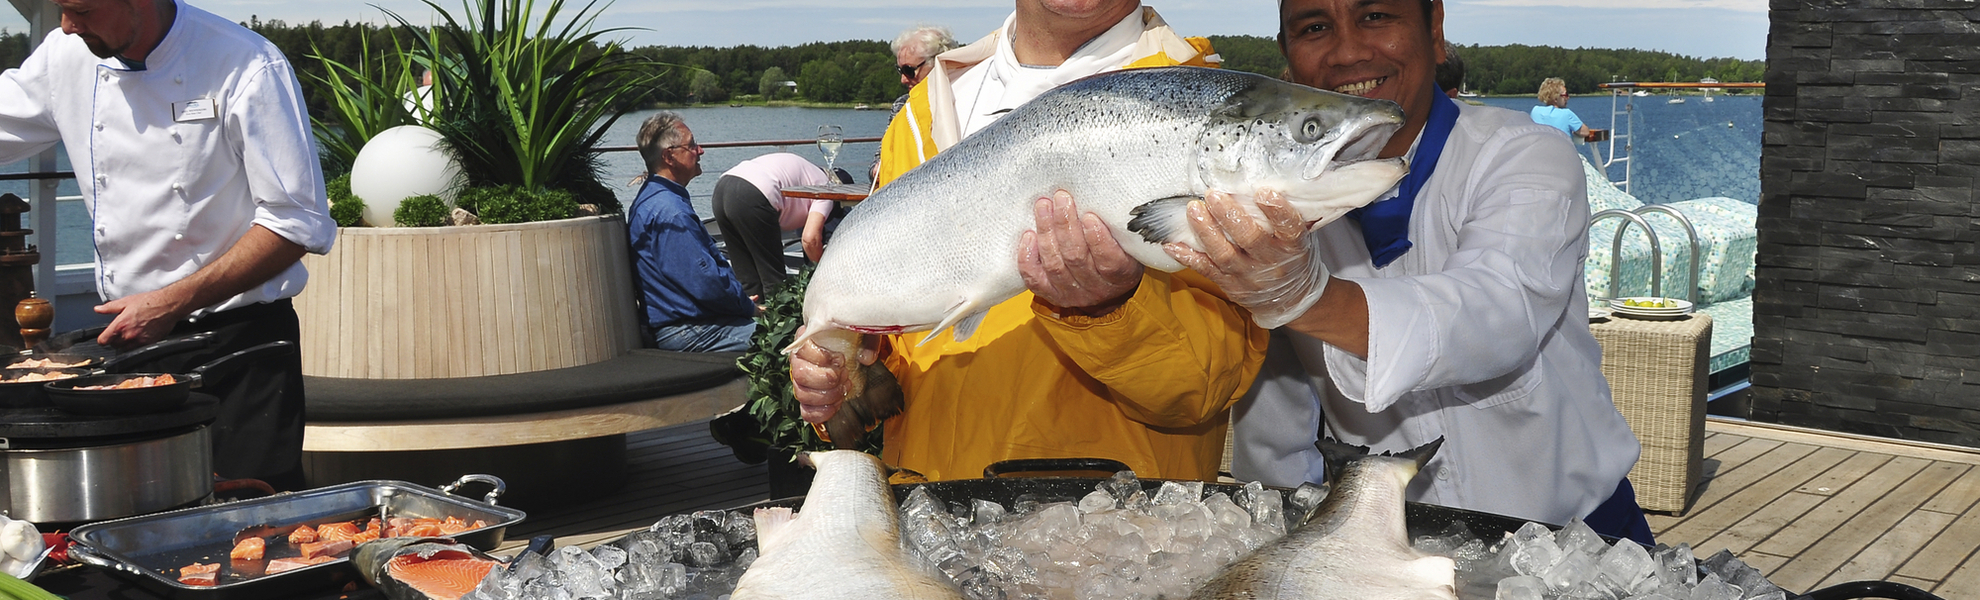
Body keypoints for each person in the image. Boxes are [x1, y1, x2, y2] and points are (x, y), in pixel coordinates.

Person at [1197, 0, 1651, 544]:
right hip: (1396, 545)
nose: (1347, 51)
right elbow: (1276, 405)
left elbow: (1497, 311)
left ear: (1434, 30)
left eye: (1376, 16)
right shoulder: (1271, 200)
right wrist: (1287, 525)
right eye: (1315, 27)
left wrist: (1306, 298)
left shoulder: (1525, 153)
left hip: (1579, 541)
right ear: (1288, 56)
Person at [789, 0, 1264, 483]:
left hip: (1116, 524)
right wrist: (841, 370)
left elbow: (1205, 387)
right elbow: (891, 337)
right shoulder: (924, 112)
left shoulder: (1223, 121)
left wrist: (1111, 309)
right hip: (928, 508)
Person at [0, 0, 337, 491]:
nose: (68, 26)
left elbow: (295, 224)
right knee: (139, 526)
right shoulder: (65, 56)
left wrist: (170, 302)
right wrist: (150, 315)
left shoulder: (244, 63)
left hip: (239, 351)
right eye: (60, 9)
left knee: (255, 535)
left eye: (82, 10)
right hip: (131, 346)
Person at [627, 112, 758, 352]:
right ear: (669, 156)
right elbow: (705, 282)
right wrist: (747, 307)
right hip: (690, 331)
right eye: (692, 145)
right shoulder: (670, 212)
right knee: (787, 340)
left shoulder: (654, 198)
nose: (700, 150)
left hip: (688, 323)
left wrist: (740, 301)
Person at [711, 152, 837, 297]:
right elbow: (810, 239)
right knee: (775, 284)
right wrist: (825, 275)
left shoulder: (808, 170)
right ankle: (777, 319)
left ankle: (752, 317)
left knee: (747, 280)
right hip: (754, 193)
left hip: (723, 187)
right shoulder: (826, 188)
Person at [891, 25, 959, 114]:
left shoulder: (967, 101)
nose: (903, 80)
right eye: (900, 70)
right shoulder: (902, 106)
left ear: (938, 65)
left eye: (908, 70)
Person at [1531, 77, 1604, 142]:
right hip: (1562, 154)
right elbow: (1585, 132)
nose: (1568, 98)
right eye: (1565, 95)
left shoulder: (1535, 111)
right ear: (1556, 98)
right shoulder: (1566, 114)